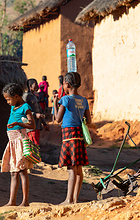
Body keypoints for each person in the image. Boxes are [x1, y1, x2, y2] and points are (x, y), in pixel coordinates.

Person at [53, 72, 91, 205]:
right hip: (79, 135)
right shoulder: (84, 100)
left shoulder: (65, 99)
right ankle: (75, 198)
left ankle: (68, 199)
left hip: (69, 136)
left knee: (71, 169)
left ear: (67, 84)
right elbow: (89, 119)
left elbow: (57, 119)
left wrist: (54, 103)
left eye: (63, 83)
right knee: (78, 168)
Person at [1, 83, 36, 206]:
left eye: (8, 99)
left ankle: (25, 201)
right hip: (12, 143)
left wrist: (19, 124)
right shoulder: (14, 107)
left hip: (20, 142)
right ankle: (12, 201)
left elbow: (32, 125)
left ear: (16, 96)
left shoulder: (25, 107)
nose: (8, 102)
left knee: (22, 171)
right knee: (13, 172)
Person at [23, 78, 48, 146]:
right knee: (33, 147)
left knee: (36, 146)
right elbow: (23, 110)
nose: (37, 86)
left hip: (37, 126)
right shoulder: (26, 96)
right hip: (31, 127)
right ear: (30, 86)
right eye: (36, 84)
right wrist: (35, 115)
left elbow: (39, 111)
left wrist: (44, 124)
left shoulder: (34, 97)